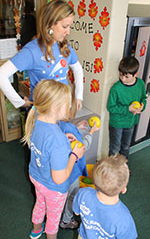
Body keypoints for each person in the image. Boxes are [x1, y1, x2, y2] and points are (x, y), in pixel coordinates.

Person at [22, 79, 85, 239]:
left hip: (37, 178)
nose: (69, 107)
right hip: (53, 187)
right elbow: (59, 178)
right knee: (53, 219)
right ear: (55, 107)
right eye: (66, 103)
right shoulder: (57, 140)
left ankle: (36, 230)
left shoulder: (37, 119)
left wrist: (63, 139)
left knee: (40, 204)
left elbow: (46, 143)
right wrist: (74, 155)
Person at [0, 0, 83, 110]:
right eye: (64, 26)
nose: (68, 32)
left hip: (63, 110)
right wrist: (19, 102)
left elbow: (77, 68)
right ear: (51, 24)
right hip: (42, 114)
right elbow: (1, 75)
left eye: (69, 26)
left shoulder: (64, 47)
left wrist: (78, 96)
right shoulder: (31, 51)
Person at [58, 95, 100, 229]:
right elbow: (82, 147)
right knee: (72, 196)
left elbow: (69, 138)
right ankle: (66, 220)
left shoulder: (57, 124)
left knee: (61, 195)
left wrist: (77, 127)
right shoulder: (69, 128)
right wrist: (91, 132)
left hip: (59, 169)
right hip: (72, 172)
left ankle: (56, 214)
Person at [73, 154, 138, 239]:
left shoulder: (83, 193)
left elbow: (76, 212)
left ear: (95, 183)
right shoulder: (124, 219)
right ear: (123, 189)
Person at [107, 56, 147, 158]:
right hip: (117, 123)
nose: (123, 79)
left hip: (130, 122)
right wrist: (127, 109)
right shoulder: (116, 88)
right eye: (121, 75)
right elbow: (110, 107)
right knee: (115, 149)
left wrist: (142, 107)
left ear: (135, 74)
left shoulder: (141, 84)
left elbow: (143, 98)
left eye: (126, 77)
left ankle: (123, 168)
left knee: (125, 147)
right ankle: (111, 172)